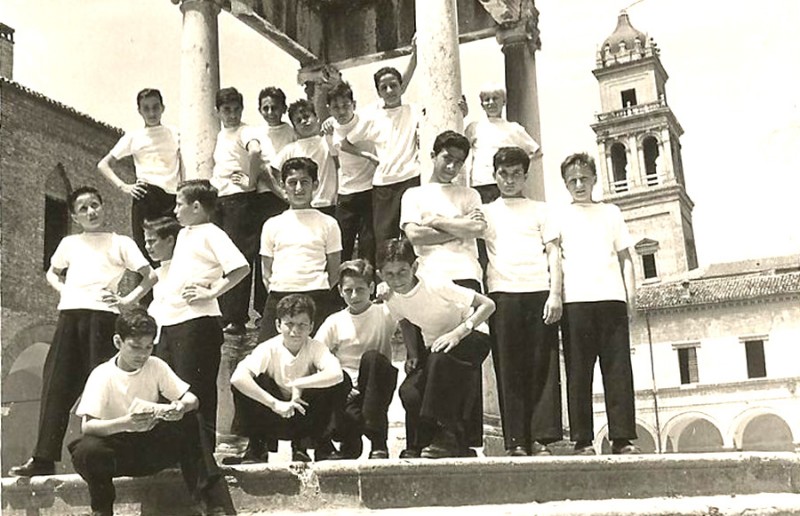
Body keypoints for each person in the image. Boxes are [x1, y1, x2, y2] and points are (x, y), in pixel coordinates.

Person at [10, 186, 156, 477]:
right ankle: (42, 458)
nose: (91, 212)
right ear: (75, 217)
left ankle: (116, 455)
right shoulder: (69, 243)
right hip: (69, 316)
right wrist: (64, 289)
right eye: (83, 209)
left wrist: (126, 300)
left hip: (102, 320)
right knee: (56, 386)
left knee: (104, 385)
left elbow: (149, 275)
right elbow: (52, 272)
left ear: (102, 206)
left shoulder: (120, 242)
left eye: (95, 205)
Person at [68, 308, 225, 516]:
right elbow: (88, 426)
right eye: (135, 347)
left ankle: (207, 501)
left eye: (148, 347)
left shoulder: (156, 366)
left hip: (151, 448)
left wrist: (179, 407)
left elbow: (192, 399)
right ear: (118, 342)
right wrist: (126, 423)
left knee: (191, 420)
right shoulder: (102, 375)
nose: (142, 354)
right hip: (118, 452)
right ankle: (102, 510)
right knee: (86, 451)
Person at [551, 152, 639, 456]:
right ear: (565, 183)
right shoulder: (557, 215)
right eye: (572, 180)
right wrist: (557, 295)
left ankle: (622, 438)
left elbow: (626, 257)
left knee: (617, 370)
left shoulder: (611, 212)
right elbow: (554, 261)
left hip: (612, 299)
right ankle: (582, 440)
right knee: (578, 372)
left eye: (584, 179)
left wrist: (631, 296)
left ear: (594, 179)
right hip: (575, 301)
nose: (579, 184)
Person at [377, 238, 494, 459]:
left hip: (472, 337)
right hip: (438, 349)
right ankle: (451, 443)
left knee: (439, 361)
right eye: (389, 274)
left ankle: (444, 437)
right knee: (409, 391)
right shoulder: (391, 297)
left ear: (414, 267)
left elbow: (488, 305)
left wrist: (458, 333)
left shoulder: (435, 283)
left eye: (402, 272)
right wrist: (412, 353)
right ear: (380, 274)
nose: (397, 280)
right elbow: (405, 321)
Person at [480, 147, 563, 457]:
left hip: (539, 291)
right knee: (509, 368)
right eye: (504, 173)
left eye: (516, 174)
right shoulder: (486, 212)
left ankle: (541, 439)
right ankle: (515, 440)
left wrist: (555, 294)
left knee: (543, 366)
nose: (510, 179)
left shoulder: (542, 210)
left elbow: (554, 252)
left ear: (526, 176)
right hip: (502, 293)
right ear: (495, 176)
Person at [156, 179, 250, 445]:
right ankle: (174, 456)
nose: (174, 210)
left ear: (196, 207)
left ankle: (201, 457)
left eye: (179, 204)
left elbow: (240, 268)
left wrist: (211, 293)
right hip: (171, 322)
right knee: (171, 392)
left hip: (197, 323)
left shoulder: (212, 233)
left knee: (195, 392)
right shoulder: (185, 233)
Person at [228, 294, 349, 463]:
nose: (295, 331)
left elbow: (336, 374)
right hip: (274, 413)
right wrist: (275, 404)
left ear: (311, 327)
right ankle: (257, 446)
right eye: (289, 324)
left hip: (305, 413)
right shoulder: (268, 348)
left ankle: (319, 446)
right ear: (278, 325)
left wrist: (298, 384)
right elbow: (237, 378)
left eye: (302, 325)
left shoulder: (316, 347)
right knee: (251, 381)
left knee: (338, 383)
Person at [314, 259, 398, 459]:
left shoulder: (385, 312)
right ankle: (347, 442)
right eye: (348, 290)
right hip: (347, 388)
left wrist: (391, 292)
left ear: (371, 288)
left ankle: (378, 443)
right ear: (340, 292)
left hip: (375, 383)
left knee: (372, 358)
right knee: (334, 377)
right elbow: (315, 355)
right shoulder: (334, 321)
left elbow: (407, 311)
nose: (354, 296)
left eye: (360, 289)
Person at [339, 42, 420, 246]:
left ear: (401, 86)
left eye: (393, 85)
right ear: (378, 92)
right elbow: (345, 143)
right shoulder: (372, 116)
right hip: (383, 185)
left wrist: (415, 54)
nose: (390, 90)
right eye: (383, 87)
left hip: (412, 179)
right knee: (384, 239)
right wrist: (369, 157)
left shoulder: (415, 110)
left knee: (413, 237)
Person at [258, 157, 342, 342]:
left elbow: (334, 271)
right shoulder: (272, 224)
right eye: (292, 182)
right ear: (282, 185)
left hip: (317, 296)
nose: (298, 189)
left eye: (304, 182)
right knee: (264, 359)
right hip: (279, 296)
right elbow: (266, 272)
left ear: (315, 184)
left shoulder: (329, 223)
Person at [97, 88, 181, 265]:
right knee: (146, 253)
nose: (151, 112)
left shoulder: (175, 133)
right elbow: (103, 164)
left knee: (175, 252)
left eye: (155, 107)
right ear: (139, 110)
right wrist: (124, 186)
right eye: (146, 108)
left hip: (172, 199)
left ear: (163, 107)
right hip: (146, 196)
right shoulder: (133, 137)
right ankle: (147, 294)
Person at [400, 130, 484, 289]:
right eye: (447, 158)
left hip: (466, 274)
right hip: (429, 276)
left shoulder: (470, 194)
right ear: (433, 156)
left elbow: (477, 229)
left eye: (459, 162)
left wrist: (435, 221)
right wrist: (461, 226)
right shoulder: (413, 194)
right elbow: (416, 236)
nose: (452, 166)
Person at [210, 86, 261, 335]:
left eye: (236, 109)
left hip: (240, 200)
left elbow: (256, 152)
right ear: (218, 111)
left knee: (238, 257)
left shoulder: (246, 130)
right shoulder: (221, 135)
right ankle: (222, 314)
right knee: (220, 258)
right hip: (220, 200)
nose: (231, 114)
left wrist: (250, 181)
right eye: (226, 110)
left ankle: (236, 318)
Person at [244, 86, 295, 323]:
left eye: (275, 107)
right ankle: (264, 310)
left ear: (284, 108)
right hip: (264, 198)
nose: (270, 112)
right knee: (263, 252)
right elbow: (261, 171)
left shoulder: (292, 132)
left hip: (287, 197)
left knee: (285, 249)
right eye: (265, 108)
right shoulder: (255, 134)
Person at [325, 82, 377, 265]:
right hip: (346, 194)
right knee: (342, 246)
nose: (341, 111)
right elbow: (335, 157)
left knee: (368, 245)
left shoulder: (366, 122)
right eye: (335, 107)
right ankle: (339, 292)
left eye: (345, 106)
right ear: (329, 109)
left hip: (369, 190)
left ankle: (370, 292)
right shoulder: (330, 129)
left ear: (354, 104)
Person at [464, 84, 541, 204]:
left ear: (504, 101)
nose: (491, 103)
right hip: (481, 182)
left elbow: (537, 151)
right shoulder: (474, 127)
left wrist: (517, 165)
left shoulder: (514, 128)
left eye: (495, 98)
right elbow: (461, 147)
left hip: (506, 182)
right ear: (482, 105)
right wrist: (462, 115)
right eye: (486, 99)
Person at [271, 99, 338, 217]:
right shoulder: (291, 149)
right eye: (298, 120)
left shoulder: (328, 141)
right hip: (302, 207)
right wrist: (284, 194)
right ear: (294, 127)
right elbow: (273, 170)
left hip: (329, 204)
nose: (303, 122)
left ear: (316, 117)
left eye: (307, 117)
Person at [141, 216, 181, 331]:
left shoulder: (185, 270)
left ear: (169, 240)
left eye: (152, 241)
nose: (147, 247)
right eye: (146, 242)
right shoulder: (156, 274)